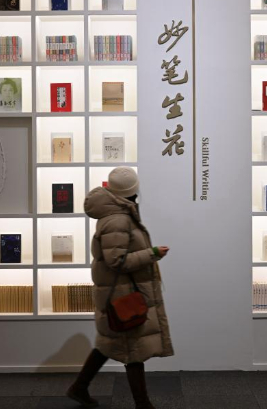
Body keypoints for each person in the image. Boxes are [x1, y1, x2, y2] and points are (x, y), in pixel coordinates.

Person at [67, 167, 173, 409]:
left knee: (109, 343)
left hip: (119, 293)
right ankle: (142, 404)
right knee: (133, 350)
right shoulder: (119, 219)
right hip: (122, 295)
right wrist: (152, 253)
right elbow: (117, 261)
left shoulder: (118, 214)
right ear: (133, 191)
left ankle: (79, 388)